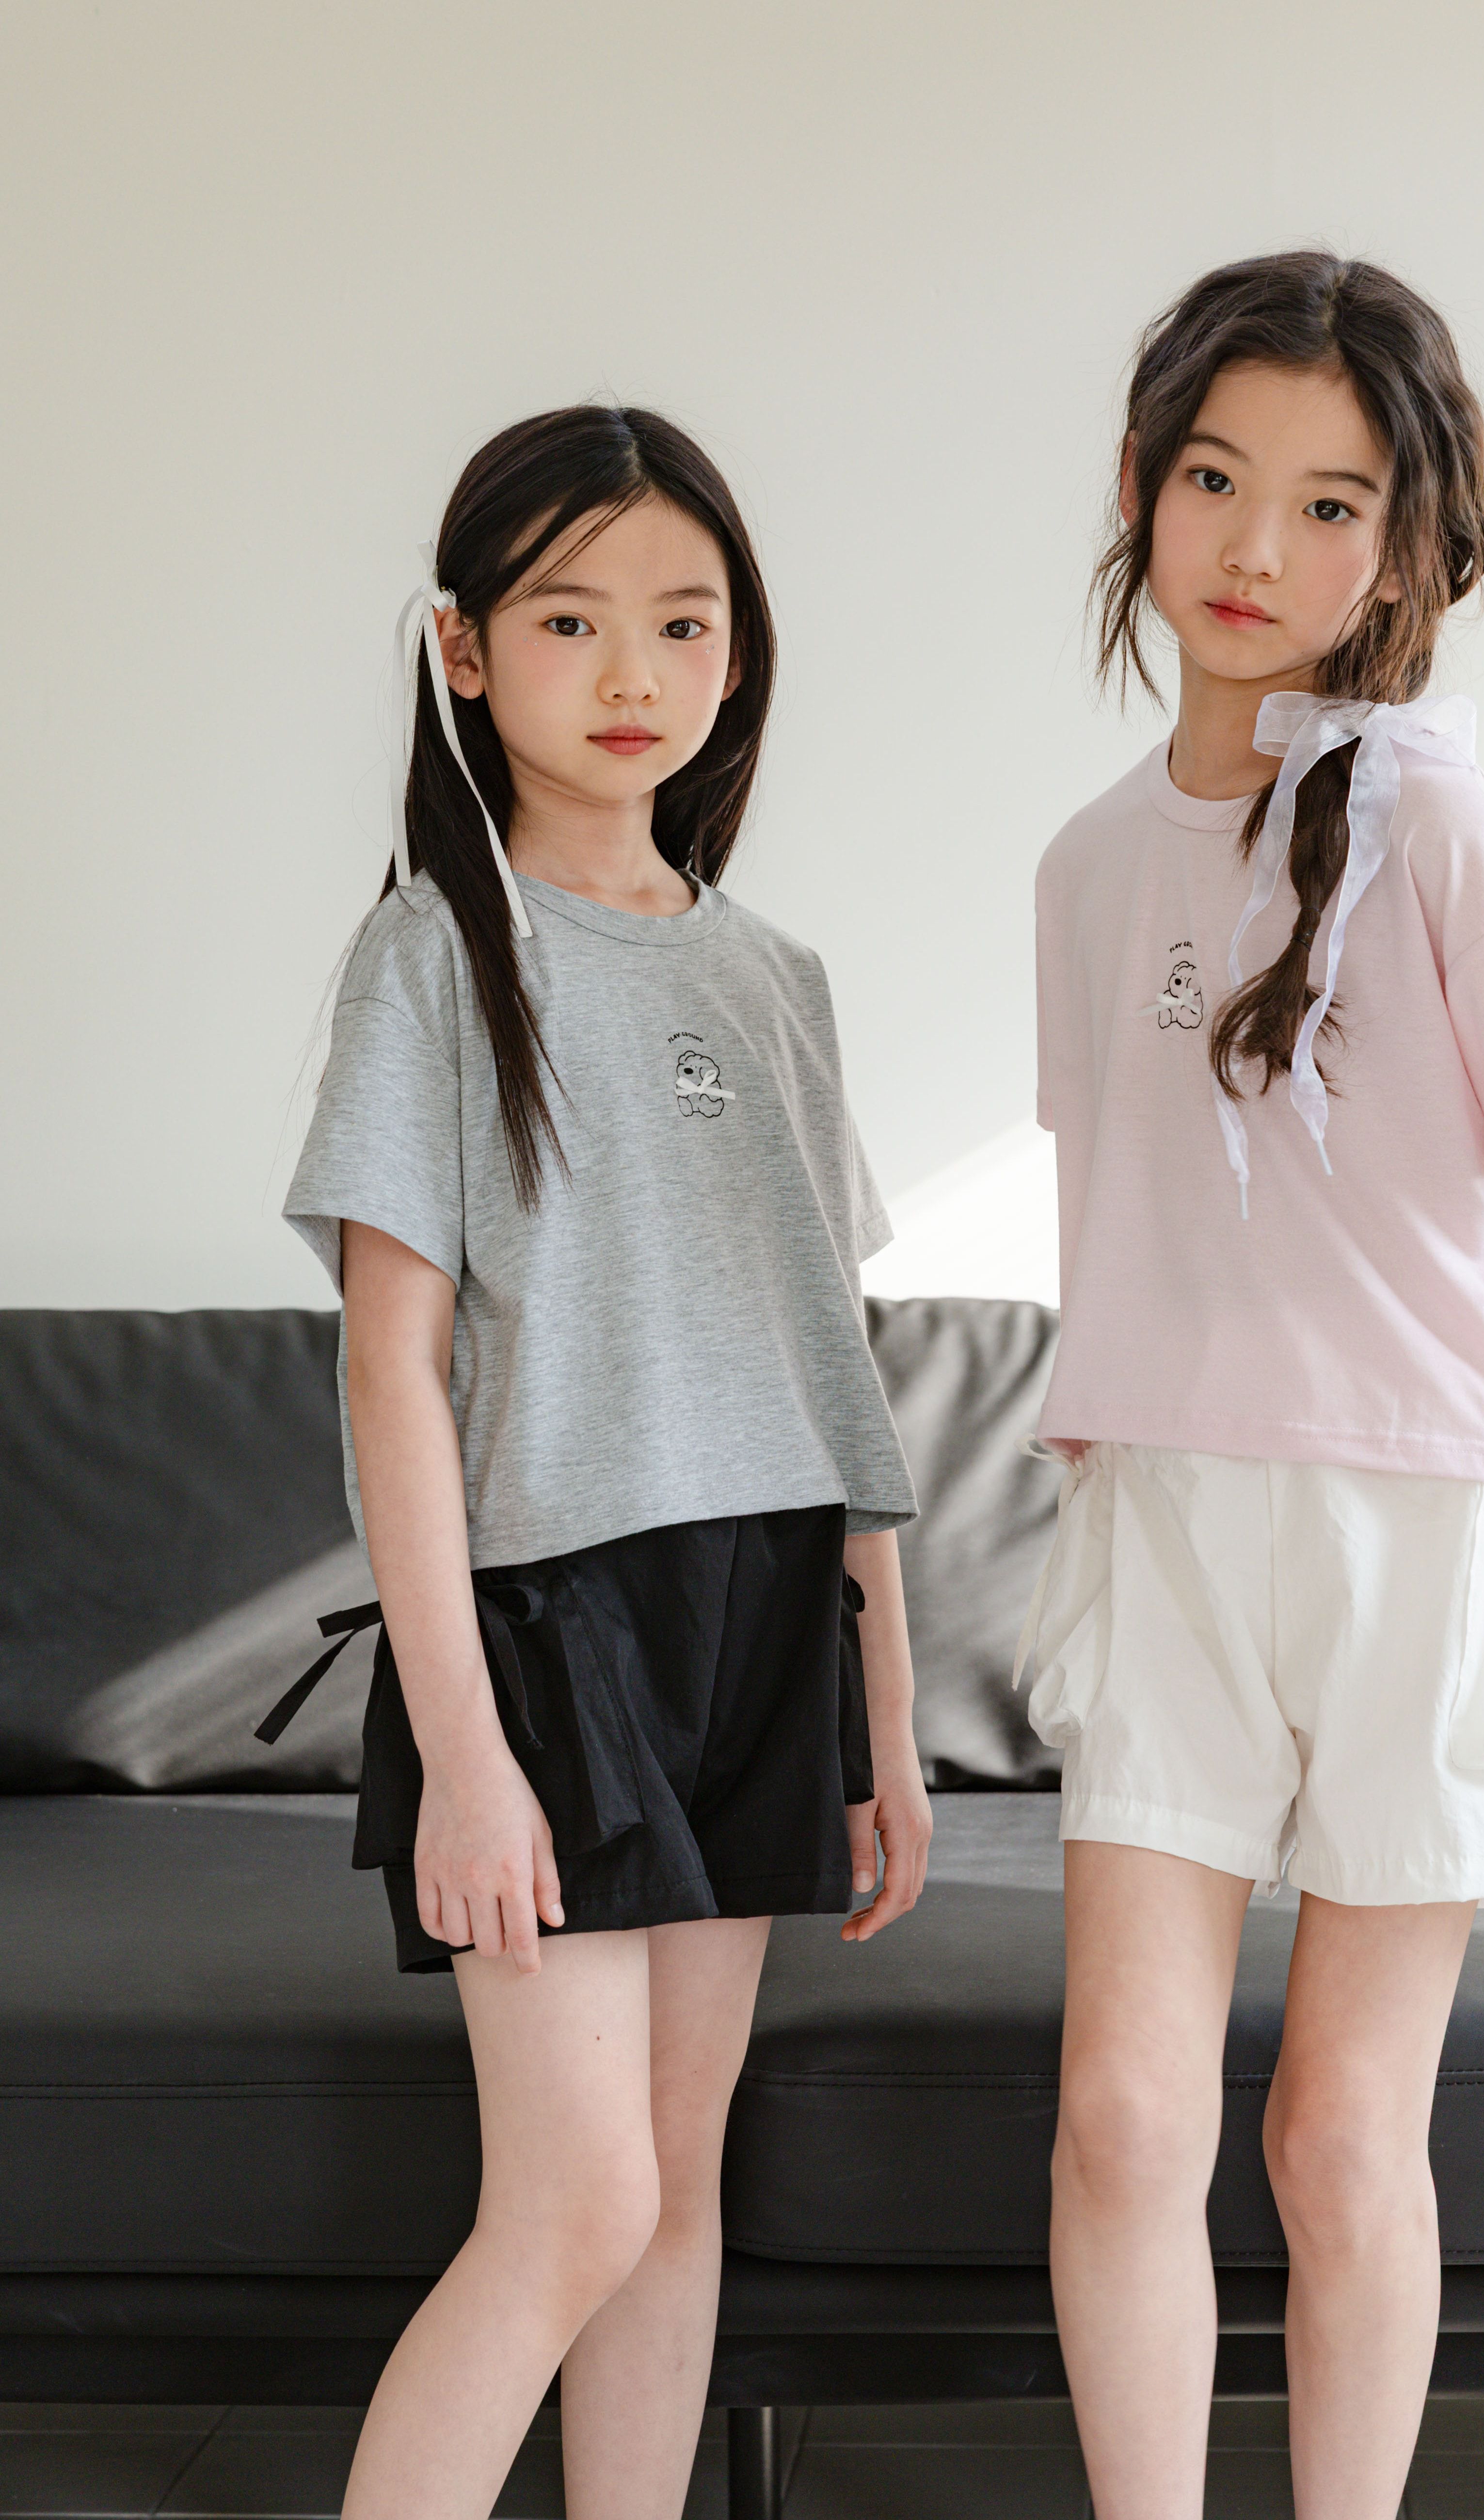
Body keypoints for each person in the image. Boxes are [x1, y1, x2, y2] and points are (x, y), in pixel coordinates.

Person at [1020, 252, 1484, 2520]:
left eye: (1327, 506)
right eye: (1214, 480)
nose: (1252, 548)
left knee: (1331, 2126)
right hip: (1169, 1519)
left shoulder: (1452, 837)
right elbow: (1112, 1216)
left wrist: (1481, 1500)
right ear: (1140, 483)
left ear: (1403, 550)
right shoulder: (1086, 869)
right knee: (1120, 2113)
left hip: (1435, 1533)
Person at [266, 403, 930, 2520]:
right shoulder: (433, 956)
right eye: (568, 620)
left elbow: (835, 1369)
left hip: (764, 1613)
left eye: (682, 621)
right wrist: (462, 1747)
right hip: (554, 1629)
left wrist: (884, 1715)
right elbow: (391, 1374)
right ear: (464, 651)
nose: (632, 671)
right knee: (572, 2202)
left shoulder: (774, 975)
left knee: (671, 2195)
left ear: (739, 653)